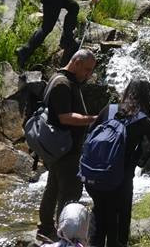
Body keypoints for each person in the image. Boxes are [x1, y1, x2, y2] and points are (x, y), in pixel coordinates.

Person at [85, 79, 150, 247]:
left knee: (99, 214)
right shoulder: (144, 122)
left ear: (127, 92)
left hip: (93, 176)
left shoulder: (109, 109)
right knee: (119, 223)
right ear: (147, 97)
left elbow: (89, 137)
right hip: (120, 180)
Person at [37, 50, 99, 242]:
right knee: (70, 193)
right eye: (87, 70)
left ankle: (46, 228)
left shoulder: (59, 78)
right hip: (66, 149)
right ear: (77, 62)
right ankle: (64, 237)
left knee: (53, 188)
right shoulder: (63, 84)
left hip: (57, 148)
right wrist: (95, 119)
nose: (88, 75)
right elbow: (65, 117)